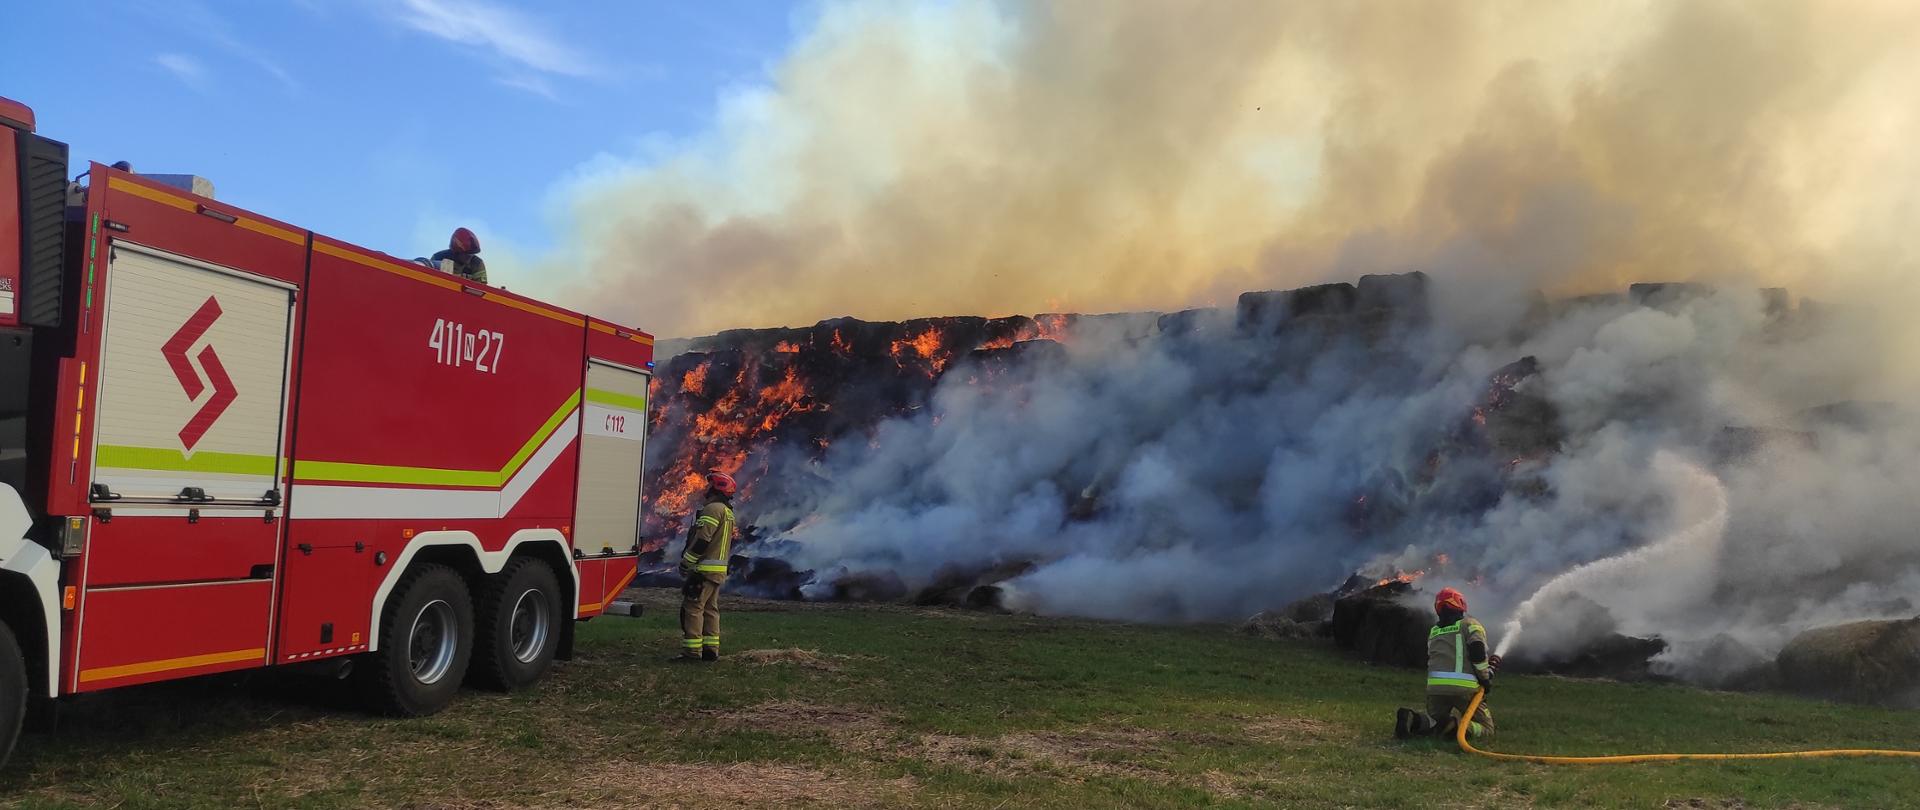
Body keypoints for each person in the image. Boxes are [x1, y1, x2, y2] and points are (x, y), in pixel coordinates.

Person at [1395, 587, 1500, 740]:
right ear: (1460, 604)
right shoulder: (1470, 624)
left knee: (1436, 722)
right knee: (1487, 729)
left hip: (1436, 689)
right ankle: (1456, 725)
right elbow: (1477, 653)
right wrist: (1485, 678)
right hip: (1463, 689)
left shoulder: (1435, 631)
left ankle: (1413, 719)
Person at [676, 472, 737, 661]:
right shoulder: (727, 511)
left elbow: (702, 539)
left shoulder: (712, 510)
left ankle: (692, 652)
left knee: (693, 607)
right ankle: (711, 650)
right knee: (711, 609)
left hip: (704, 570)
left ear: (715, 489)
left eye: (708, 486)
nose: (705, 490)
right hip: (718, 570)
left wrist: (687, 562)